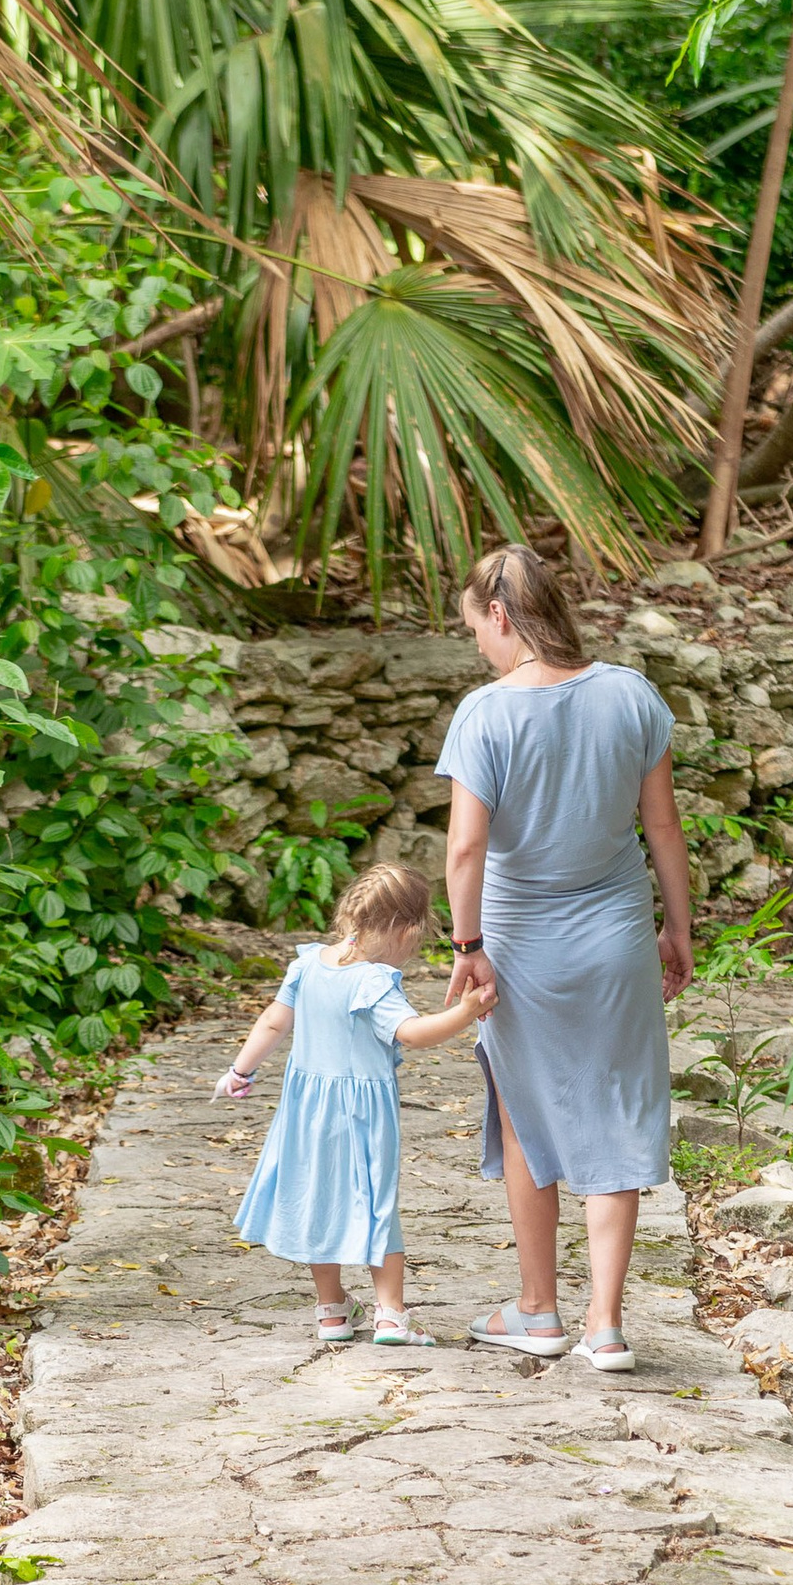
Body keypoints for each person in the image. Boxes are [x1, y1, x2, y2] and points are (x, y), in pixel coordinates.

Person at [439, 543, 694, 1373]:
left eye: (475, 625)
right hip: (618, 932)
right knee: (618, 1106)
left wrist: (469, 947)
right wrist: (679, 927)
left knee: (527, 1114)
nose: (476, 642)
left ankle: (538, 1310)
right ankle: (606, 1326)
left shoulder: (486, 713)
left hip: (520, 943)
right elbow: (661, 826)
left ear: (502, 616)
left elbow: (467, 850)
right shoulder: (633, 695)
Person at [216, 862, 491, 1346]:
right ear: (406, 929)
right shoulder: (374, 982)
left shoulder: (307, 966)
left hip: (306, 1111)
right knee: (375, 1204)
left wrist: (240, 1071)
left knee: (318, 1199)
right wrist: (463, 1013)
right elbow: (413, 1033)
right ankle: (390, 1315)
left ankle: (332, 1311)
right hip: (362, 1115)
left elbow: (273, 1024)